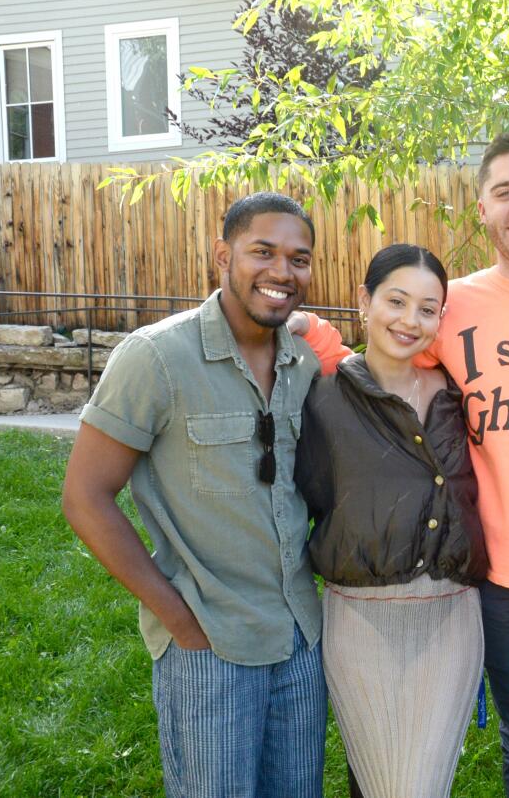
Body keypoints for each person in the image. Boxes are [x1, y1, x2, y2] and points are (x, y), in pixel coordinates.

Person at [301, 132, 509, 797]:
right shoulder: (455, 312)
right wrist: (311, 336)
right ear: (481, 209)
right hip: (504, 581)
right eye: (504, 192)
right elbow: (384, 366)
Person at [61, 193, 327, 798]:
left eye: (298, 258)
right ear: (221, 256)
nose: (282, 271)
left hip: (301, 640)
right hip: (208, 645)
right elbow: (85, 497)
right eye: (263, 251)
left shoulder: (302, 363)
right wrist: (177, 617)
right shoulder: (156, 357)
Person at [293, 244, 488, 798]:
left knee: (421, 782)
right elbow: (307, 494)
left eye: (428, 309)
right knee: (379, 778)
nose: (410, 320)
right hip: (361, 617)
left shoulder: (457, 395)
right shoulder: (322, 399)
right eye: (396, 301)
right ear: (364, 301)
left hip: (451, 618)